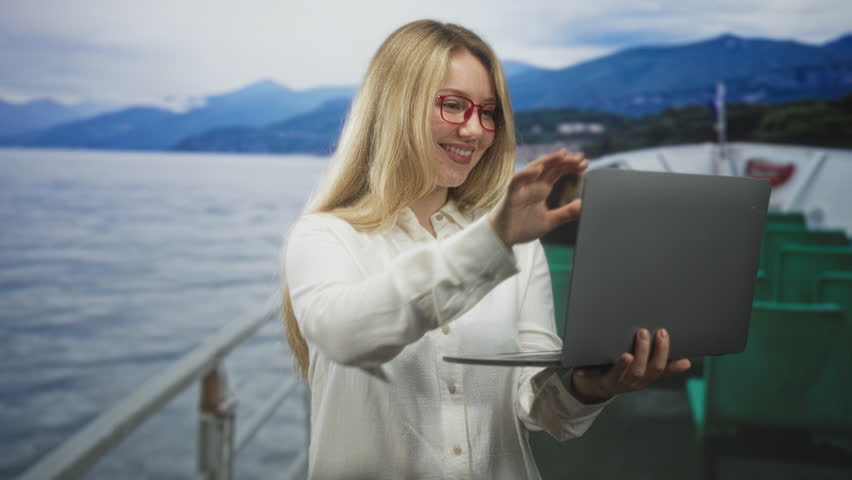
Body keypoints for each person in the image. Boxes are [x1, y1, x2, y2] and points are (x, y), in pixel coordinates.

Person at [281, 19, 691, 480]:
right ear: (395, 107)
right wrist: (492, 242)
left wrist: (587, 388)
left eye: (488, 112)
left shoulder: (517, 242)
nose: (476, 130)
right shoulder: (324, 236)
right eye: (453, 106)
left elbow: (539, 404)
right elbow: (346, 336)